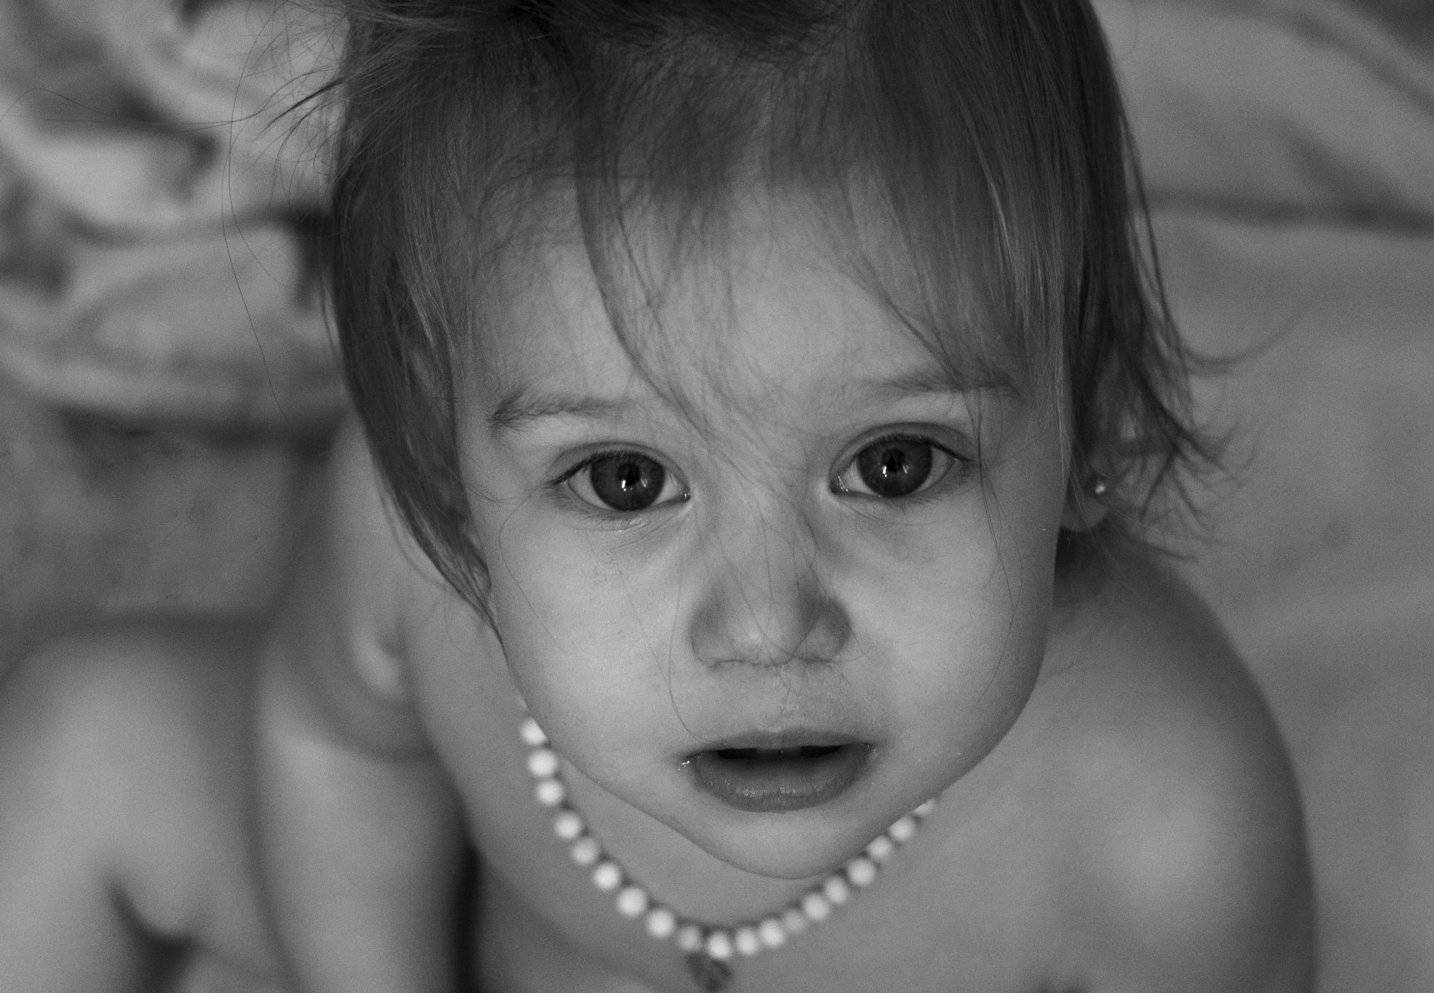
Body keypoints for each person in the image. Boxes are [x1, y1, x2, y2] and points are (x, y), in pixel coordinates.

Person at [0, 1, 1315, 991]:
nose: (767, 624)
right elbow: (335, 741)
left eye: (895, 464)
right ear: (448, 473)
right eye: (625, 480)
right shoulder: (411, 545)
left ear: (1093, 417)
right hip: (488, 936)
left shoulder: (1164, 819)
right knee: (89, 736)